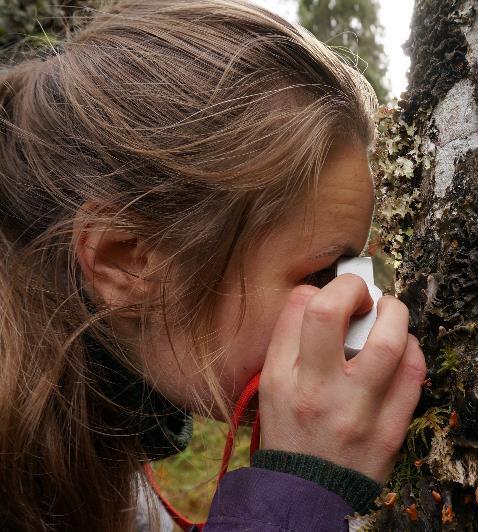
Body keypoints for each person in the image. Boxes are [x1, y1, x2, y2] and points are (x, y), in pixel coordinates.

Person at [0, 1, 426, 530]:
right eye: (320, 276)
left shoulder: (111, 479)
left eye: (355, 276)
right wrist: (305, 486)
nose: (352, 323)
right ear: (127, 262)